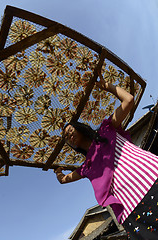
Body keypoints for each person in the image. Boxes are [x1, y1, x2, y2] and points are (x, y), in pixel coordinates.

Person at [54, 71, 158, 239]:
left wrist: (107, 87)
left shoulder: (106, 129)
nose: (68, 136)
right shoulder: (86, 166)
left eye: (69, 130)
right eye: (65, 137)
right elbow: (64, 180)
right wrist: (58, 173)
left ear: (79, 127)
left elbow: (128, 100)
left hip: (152, 177)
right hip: (133, 208)